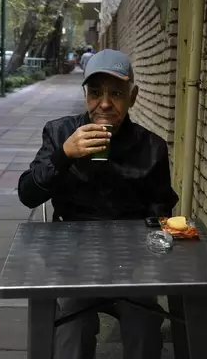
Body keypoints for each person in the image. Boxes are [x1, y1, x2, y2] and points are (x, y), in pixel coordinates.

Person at [18, 49, 179, 359]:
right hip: (73, 261)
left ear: (133, 97)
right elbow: (28, 194)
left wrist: (157, 236)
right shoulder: (60, 132)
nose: (104, 104)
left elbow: (162, 208)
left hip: (133, 263)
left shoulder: (152, 147)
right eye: (95, 93)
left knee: (145, 322)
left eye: (116, 93)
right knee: (72, 327)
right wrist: (63, 155)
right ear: (85, 95)